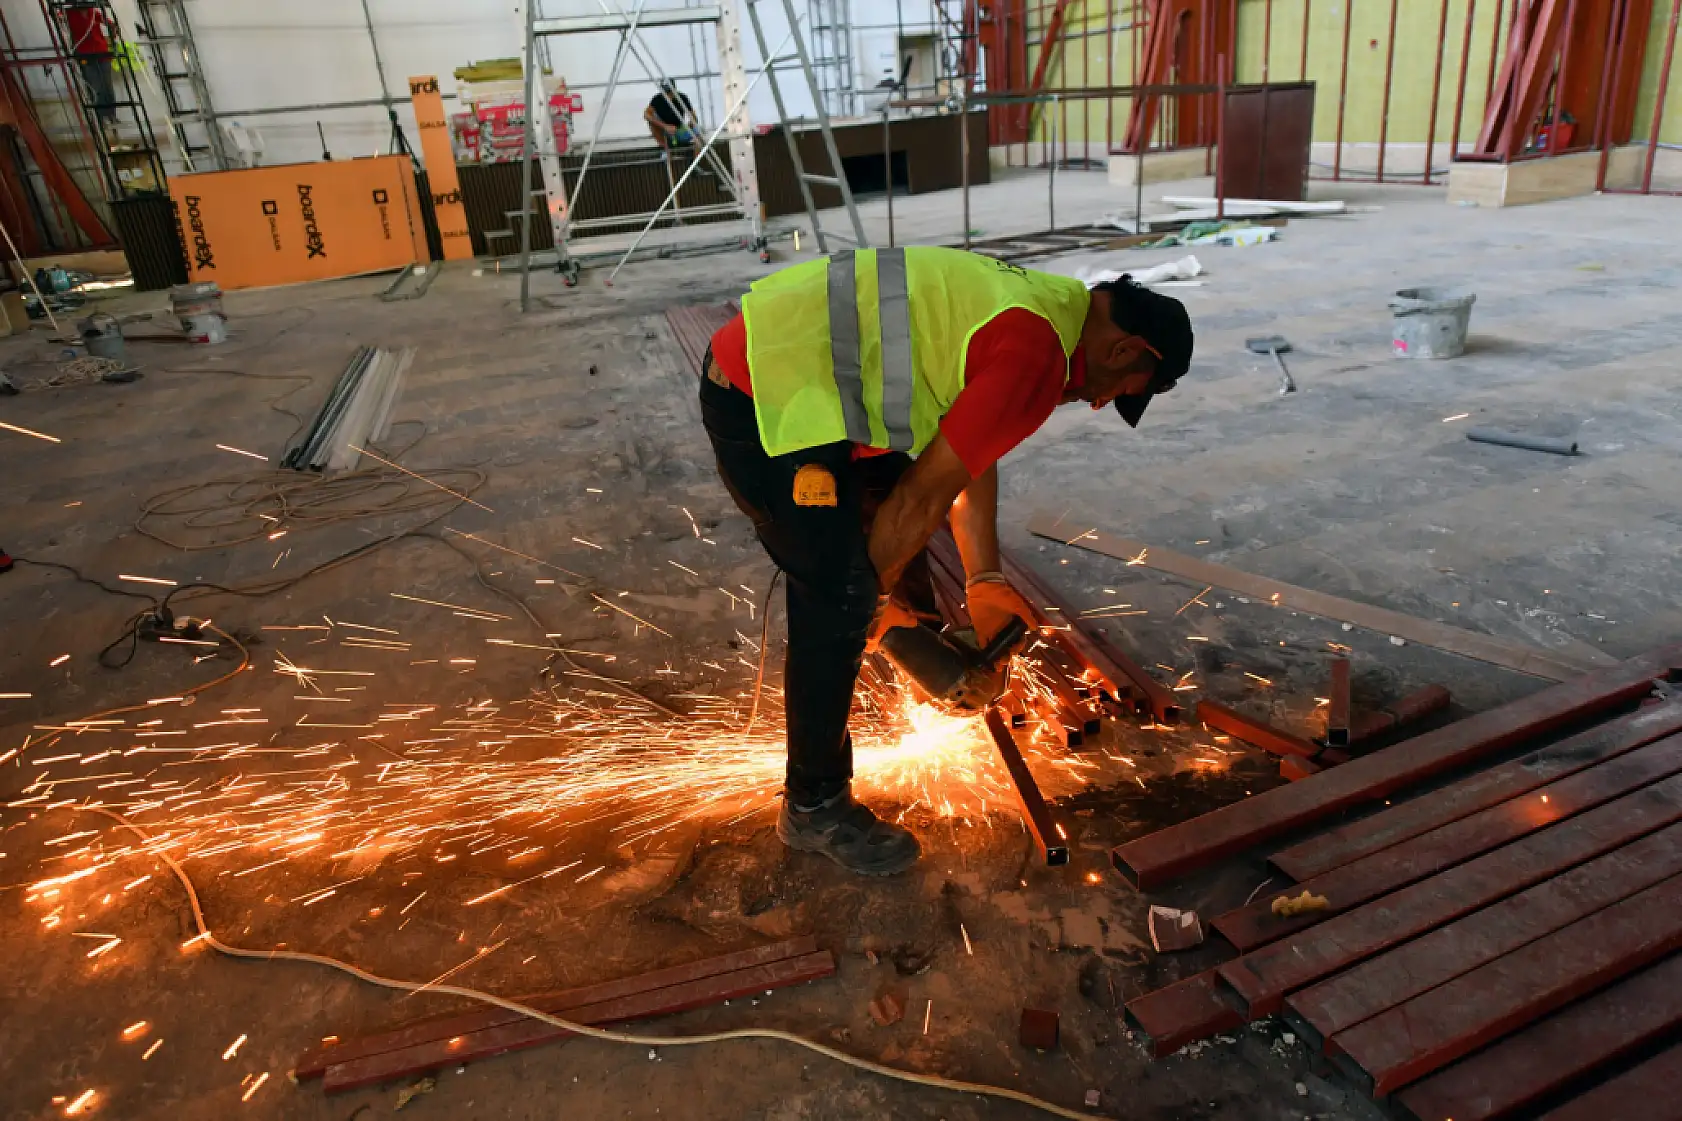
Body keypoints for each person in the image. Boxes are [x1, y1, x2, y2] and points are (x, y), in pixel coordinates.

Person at [699, 247, 1193, 875]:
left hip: (814, 378)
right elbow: (922, 495)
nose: (1101, 403)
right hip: (764, 393)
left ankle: (883, 665)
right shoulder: (1038, 354)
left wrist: (984, 580)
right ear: (1127, 351)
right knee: (838, 595)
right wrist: (870, 609)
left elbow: (967, 453)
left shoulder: (1046, 306)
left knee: (884, 561)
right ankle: (813, 805)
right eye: (1122, 392)